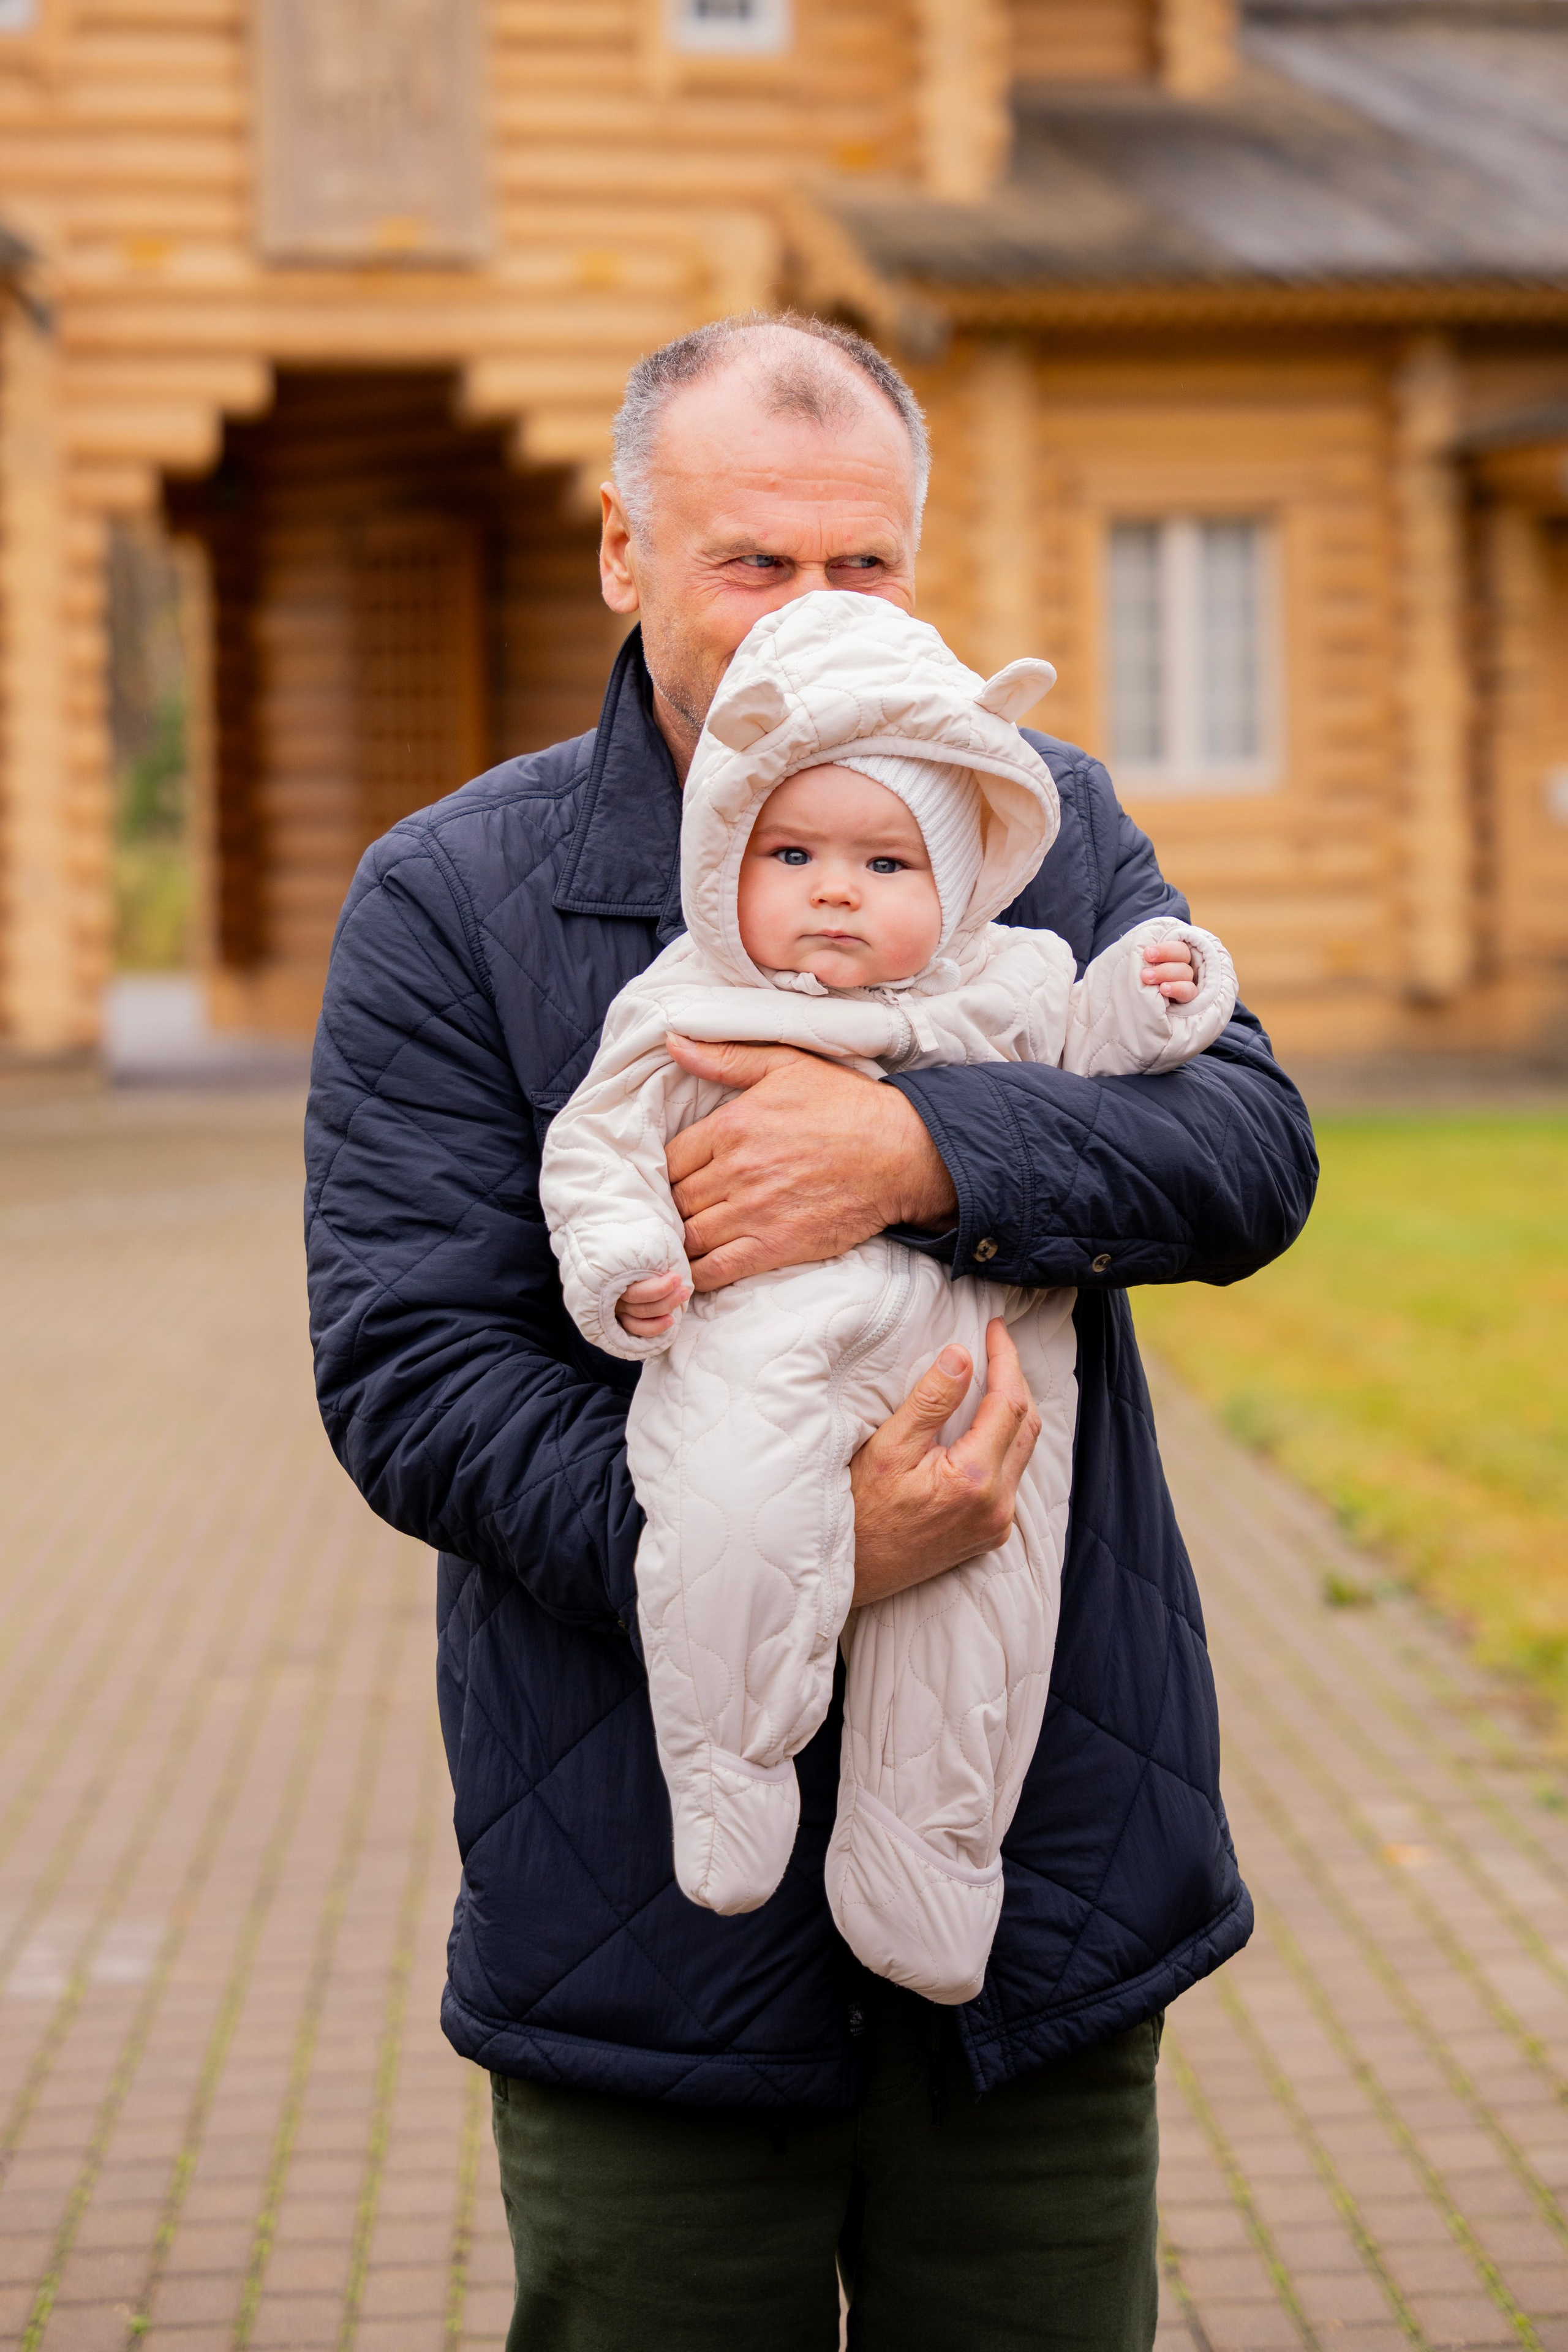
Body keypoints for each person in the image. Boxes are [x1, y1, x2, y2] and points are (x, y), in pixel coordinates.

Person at [304, 311, 1317, 2351]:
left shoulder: (1043, 818)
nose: (812, 614)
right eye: (753, 563)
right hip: (640, 1915)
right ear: (623, 551)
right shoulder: (450, 897)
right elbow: (415, 1375)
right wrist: (775, 1558)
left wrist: (918, 1143)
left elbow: (1243, 1149)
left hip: (1040, 1881)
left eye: (863, 567)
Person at [537, 587, 1237, 2011]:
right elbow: (595, 1147)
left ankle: (927, 1866)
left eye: (883, 860)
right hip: (764, 1346)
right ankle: (726, 1768)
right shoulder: (690, 1005)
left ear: (964, 881)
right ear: (727, 856)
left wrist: (1158, 994)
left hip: (975, 1373)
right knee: (724, 1517)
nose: (835, 889)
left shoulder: (1012, 978)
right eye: (790, 852)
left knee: (977, 1627)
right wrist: (623, 1268)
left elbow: (1112, 1059)